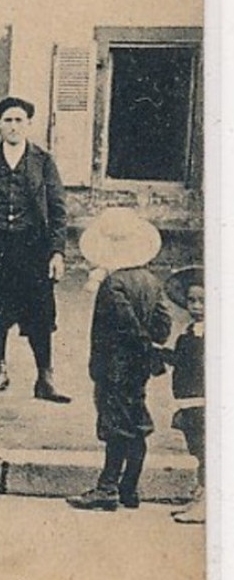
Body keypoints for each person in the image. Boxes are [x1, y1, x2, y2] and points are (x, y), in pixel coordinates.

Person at [67, 208, 173, 513]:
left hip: (114, 367)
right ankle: (130, 488)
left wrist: (138, 346)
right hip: (139, 368)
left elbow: (127, 326)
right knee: (137, 423)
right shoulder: (151, 281)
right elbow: (162, 326)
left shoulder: (113, 285)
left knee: (116, 425)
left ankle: (107, 487)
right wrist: (150, 351)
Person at [0, 97, 71, 402]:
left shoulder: (43, 161)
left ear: (29, 124)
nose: (13, 126)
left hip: (33, 247)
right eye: (8, 120)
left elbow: (57, 209)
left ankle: (45, 377)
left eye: (19, 120)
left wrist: (57, 252)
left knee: (40, 313)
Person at [163, 266, 205, 525]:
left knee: (206, 451)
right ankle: (200, 496)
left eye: (202, 301)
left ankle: (206, 504)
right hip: (189, 400)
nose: (196, 306)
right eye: (192, 300)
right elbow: (181, 361)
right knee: (198, 449)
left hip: (203, 400)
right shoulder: (192, 330)